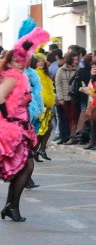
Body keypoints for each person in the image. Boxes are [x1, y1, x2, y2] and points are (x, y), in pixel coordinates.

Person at [0, 26, 50, 221]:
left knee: (24, 167)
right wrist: (9, 118)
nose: (19, 64)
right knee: (26, 167)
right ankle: (12, 207)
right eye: (15, 60)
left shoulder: (20, 76)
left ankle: (10, 206)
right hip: (14, 128)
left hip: (22, 126)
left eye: (22, 60)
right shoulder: (12, 77)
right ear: (9, 61)